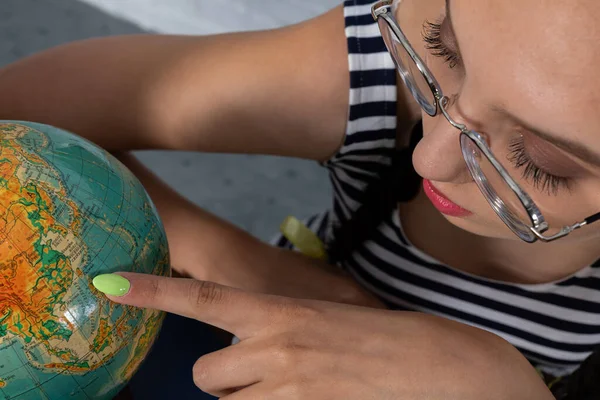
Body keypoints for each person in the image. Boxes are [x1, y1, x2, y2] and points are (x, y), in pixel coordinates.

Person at [0, 0, 599, 398]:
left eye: (538, 160)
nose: (428, 157)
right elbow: (17, 113)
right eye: (448, 56)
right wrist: (248, 265)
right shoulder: (387, 71)